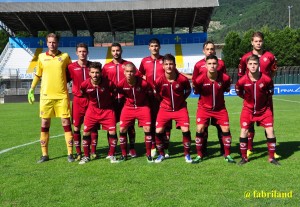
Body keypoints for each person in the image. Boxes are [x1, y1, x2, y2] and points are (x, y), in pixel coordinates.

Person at [27, 33, 74, 163]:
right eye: (49, 42)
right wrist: (31, 89)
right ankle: (45, 155)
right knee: (45, 123)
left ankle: (70, 153)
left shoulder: (65, 57)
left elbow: (72, 73)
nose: (52, 44)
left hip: (62, 96)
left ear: (58, 43)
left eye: (54, 42)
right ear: (46, 43)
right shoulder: (41, 57)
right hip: (46, 97)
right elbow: (37, 74)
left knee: (66, 123)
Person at [238, 31, 279, 158]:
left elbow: (273, 72)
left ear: (263, 41)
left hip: (265, 95)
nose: (258, 43)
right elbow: (241, 76)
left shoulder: (270, 56)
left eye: (260, 41)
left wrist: (267, 81)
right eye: (256, 41)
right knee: (248, 123)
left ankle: (273, 151)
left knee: (269, 123)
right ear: (252, 42)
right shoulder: (245, 58)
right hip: (251, 94)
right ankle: (249, 148)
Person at [193, 54, 235, 163]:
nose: (212, 66)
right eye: (209, 64)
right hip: (204, 109)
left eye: (214, 63)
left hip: (220, 109)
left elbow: (226, 89)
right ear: (205, 65)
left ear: (218, 65)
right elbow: (197, 91)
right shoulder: (199, 80)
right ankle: (199, 155)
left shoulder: (225, 78)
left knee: (225, 129)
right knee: (200, 129)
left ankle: (227, 155)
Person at [153, 54, 192, 163]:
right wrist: (163, 102)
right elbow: (156, 93)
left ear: (175, 65)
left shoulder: (182, 79)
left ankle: (187, 155)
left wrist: (181, 100)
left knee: (186, 130)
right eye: (166, 64)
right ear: (163, 66)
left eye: (171, 64)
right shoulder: (159, 80)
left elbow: (188, 90)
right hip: (165, 109)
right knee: (158, 130)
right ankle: (161, 155)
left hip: (180, 109)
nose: (169, 66)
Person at [79, 62, 119, 164]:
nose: (95, 75)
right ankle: (86, 156)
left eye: (97, 72)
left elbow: (114, 92)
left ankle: (111, 155)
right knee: (86, 132)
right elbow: (83, 94)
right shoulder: (84, 84)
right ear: (89, 73)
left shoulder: (108, 83)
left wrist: (108, 102)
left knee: (113, 132)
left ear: (101, 73)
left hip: (107, 110)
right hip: (92, 111)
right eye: (92, 72)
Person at [102, 43, 137, 158]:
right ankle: (112, 149)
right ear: (111, 52)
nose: (115, 52)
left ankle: (131, 148)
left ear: (121, 51)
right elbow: (102, 82)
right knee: (110, 125)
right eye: (113, 50)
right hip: (111, 100)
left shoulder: (128, 65)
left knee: (129, 125)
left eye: (117, 50)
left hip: (126, 100)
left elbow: (138, 77)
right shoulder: (106, 67)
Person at [139, 38, 172, 158]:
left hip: (163, 96)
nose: (154, 48)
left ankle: (165, 147)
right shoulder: (144, 61)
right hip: (149, 97)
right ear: (149, 47)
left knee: (166, 123)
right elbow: (140, 75)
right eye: (152, 46)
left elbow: (173, 73)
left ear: (159, 47)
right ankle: (153, 146)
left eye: (156, 46)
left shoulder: (164, 60)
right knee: (151, 123)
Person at [192, 40, 226, 156]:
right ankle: (203, 150)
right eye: (208, 49)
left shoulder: (221, 63)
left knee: (220, 127)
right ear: (203, 50)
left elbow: (224, 79)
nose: (210, 51)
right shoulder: (198, 65)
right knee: (203, 128)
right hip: (204, 103)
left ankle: (223, 150)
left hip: (218, 104)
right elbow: (195, 82)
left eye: (212, 49)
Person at [67, 43, 98, 161]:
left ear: (87, 52)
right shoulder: (71, 67)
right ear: (76, 53)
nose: (82, 53)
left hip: (91, 100)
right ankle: (79, 152)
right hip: (78, 100)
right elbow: (64, 79)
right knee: (76, 127)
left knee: (93, 126)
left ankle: (93, 151)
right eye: (80, 51)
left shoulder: (92, 66)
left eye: (84, 51)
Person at [117, 63, 154, 162]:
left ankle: (149, 154)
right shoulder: (121, 84)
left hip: (143, 107)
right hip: (128, 108)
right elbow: (121, 94)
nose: (129, 73)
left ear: (135, 72)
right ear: (124, 72)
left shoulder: (143, 83)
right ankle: (124, 154)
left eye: (131, 71)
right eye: (127, 72)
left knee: (147, 128)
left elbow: (150, 94)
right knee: (122, 129)